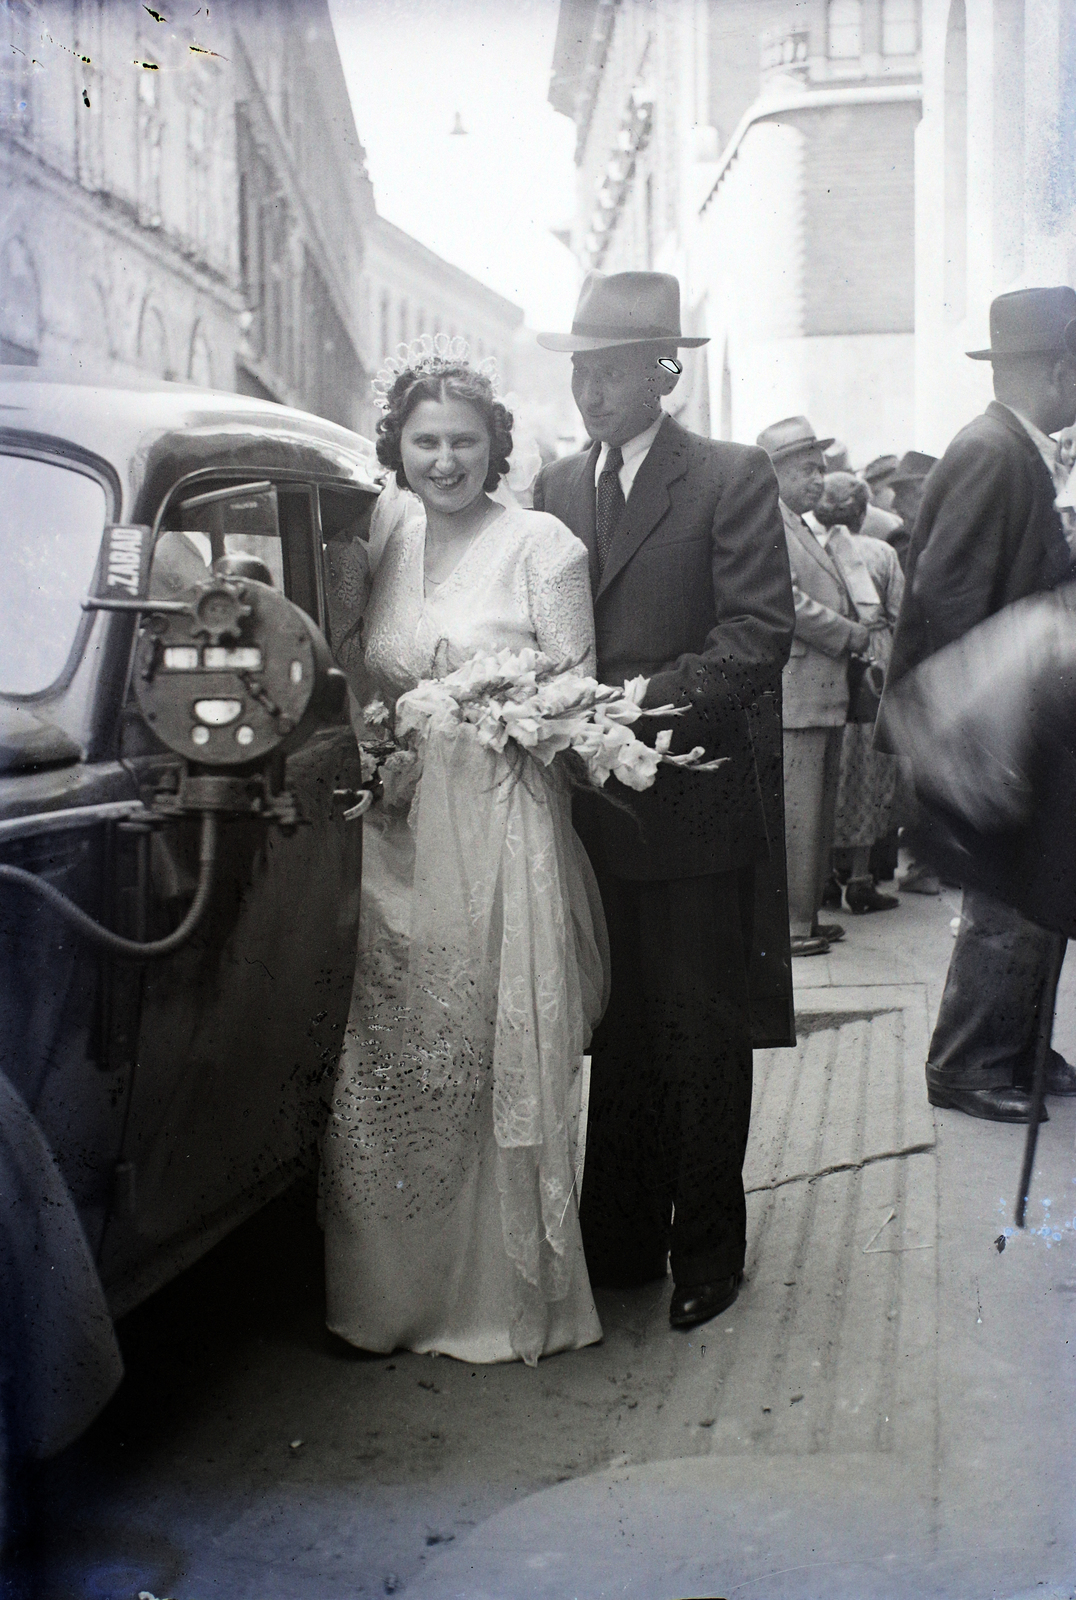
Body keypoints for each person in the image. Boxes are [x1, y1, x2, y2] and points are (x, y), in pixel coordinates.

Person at [320, 350, 607, 1365]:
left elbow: (577, 698)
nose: (443, 460)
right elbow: (356, 663)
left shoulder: (544, 546)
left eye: (463, 442)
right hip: (398, 822)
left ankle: (494, 1297)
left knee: (483, 1047)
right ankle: (388, 1294)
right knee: (393, 1050)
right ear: (398, 444)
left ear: (495, 448)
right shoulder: (386, 533)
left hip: (498, 824)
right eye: (425, 440)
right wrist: (379, 739)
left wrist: (504, 710)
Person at [533, 270, 794, 1331]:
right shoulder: (554, 487)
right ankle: (621, 1241)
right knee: (619, 1029)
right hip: (587, 814)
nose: (589, 391)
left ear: (662, 371)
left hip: (688, 809)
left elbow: (754, 638)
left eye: (609, 371)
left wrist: (634, 706)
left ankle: (708, 1253)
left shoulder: (729, 477)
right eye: (579, 370)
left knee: (696, 1031)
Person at [885, 286, 1076, 1123]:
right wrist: (982, 711)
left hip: (1013, 719)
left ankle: (1019, 1046)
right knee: (1009, 899)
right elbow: (948, 591)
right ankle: (967, 1062)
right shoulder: (995, 451)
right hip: (989, 721)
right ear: (1061, 370)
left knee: (1039, 889)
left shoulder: (1015, 447)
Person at [758, 416, 877, 954]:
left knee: (816, 813)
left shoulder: (798, 523)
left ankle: (804, 915)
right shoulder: (772, 524)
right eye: (807, 469)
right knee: (799, 816)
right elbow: (789, 603)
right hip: (798, 690)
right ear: (775, 471)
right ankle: (789, 926)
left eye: (821, 469)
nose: (818, 480)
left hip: (815, 691)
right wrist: (851, 634)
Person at [808, 473, 903, 912]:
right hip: (873, 664)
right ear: (864, 512)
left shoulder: (810, 549)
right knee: (866, 769)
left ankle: (822, 876)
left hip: (825, 660)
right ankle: (861, 878)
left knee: (829, 768)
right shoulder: (881, 552)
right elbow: (900, 613)